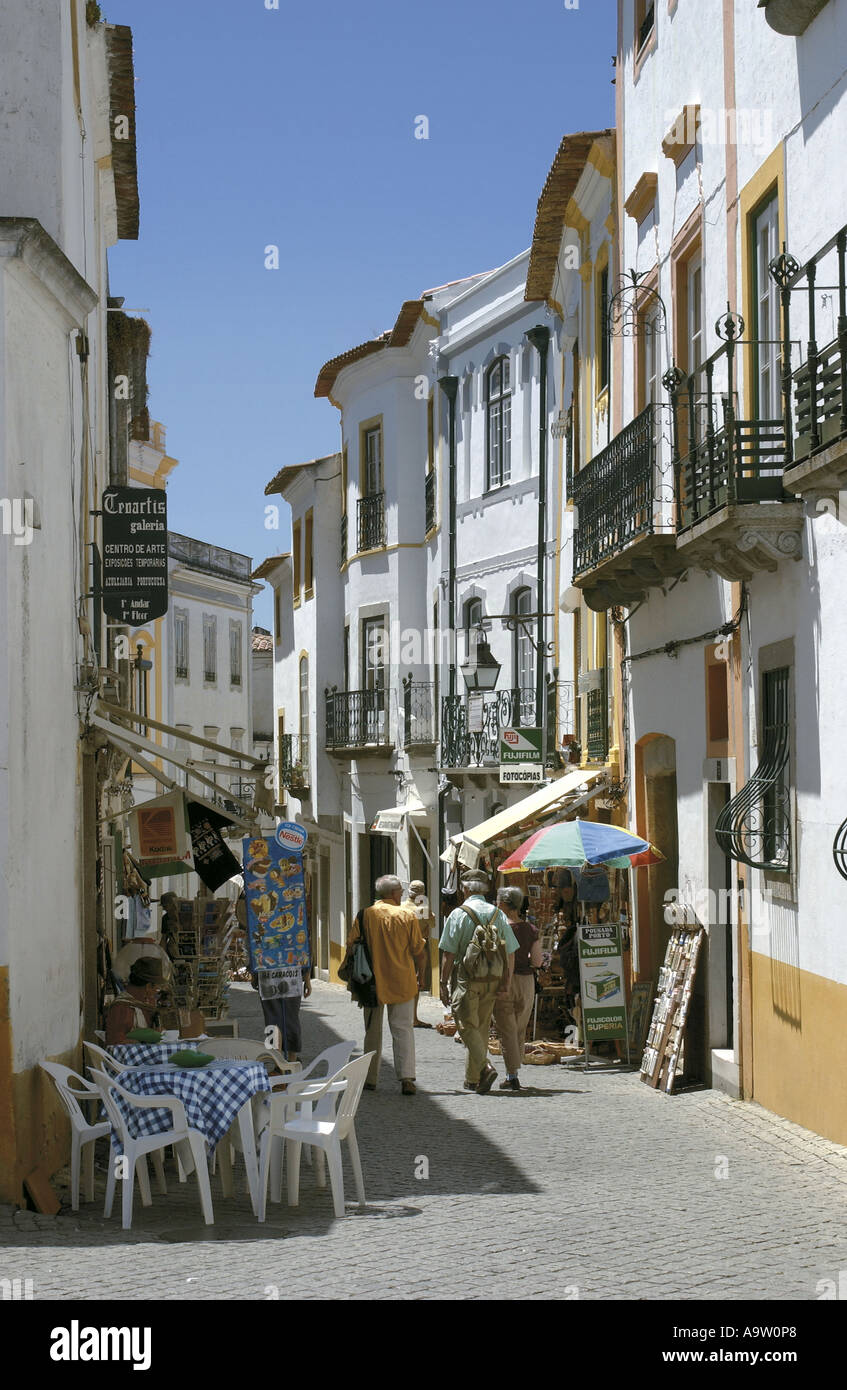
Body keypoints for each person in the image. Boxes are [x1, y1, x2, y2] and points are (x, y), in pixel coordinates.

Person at [343, 874, 427, 1095]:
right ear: (393, 893)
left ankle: (370, 1078)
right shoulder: (407, 916)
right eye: (400, 890)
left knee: (372, 1031)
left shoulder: (365, 915)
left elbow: (351, 945)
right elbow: (419, 950)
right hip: (403, 981)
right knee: (403, 1030)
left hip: (371, 982)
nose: (401, 893)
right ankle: (407, 1078)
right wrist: (423, 976)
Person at [439, 871, 519, 1094]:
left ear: (465, 889)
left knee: (465, 1025)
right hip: (492, 979)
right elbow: (510, 952)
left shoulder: (458, 914)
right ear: (483, 890)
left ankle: (485, 1067)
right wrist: (506, 982)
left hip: (466, 979)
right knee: (481, 1027)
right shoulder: (497, 914)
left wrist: (443, 981)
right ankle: (472, 1078)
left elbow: (448, 952)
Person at [492, 885, 544, 1090]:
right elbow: (538, 961)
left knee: (506, 1029)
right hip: (527, 982)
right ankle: (513, 1070)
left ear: (503, 904)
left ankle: (512, 1075)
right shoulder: (531, 930)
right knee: (520, 1027)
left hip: (506, 980)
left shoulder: (500, 927)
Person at [251, 965, 312, 1062]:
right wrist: (307, 979)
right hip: (288, 975)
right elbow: (307, 953)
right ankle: (289, 1059)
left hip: (272, 975)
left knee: (273, 1019)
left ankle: (280, 1061)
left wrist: (254, 975)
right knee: (290, 1018)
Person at [105, 957, 166, 1045]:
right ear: (148, 986)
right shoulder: (122, 1008)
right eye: (157, 988)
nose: (157, 992)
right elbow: (114, 1045)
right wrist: (145, 1039)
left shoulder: (146, 1004)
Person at [407, 879, 433, 1028]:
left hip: (403, 948)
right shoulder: (423, 909)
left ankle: (405, 1015)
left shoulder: (400, 907)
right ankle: (413, 1017)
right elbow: (432, 924)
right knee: (418, 981)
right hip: (419, 947)